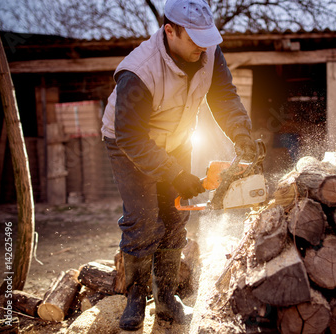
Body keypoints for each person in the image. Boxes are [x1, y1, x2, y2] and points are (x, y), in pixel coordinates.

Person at [101, 0, 255, 330]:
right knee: (143, 218)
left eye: (207, 38)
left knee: (175, 214)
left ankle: (167, 294)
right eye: (195, 39)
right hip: (128, 143)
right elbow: (131, 137)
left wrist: (242, 135)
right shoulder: (138, 71)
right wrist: (175, 173)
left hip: (177, 137)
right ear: (169, 30)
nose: (203, 47)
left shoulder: (208, 51)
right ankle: (137, 297)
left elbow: (224, 95)